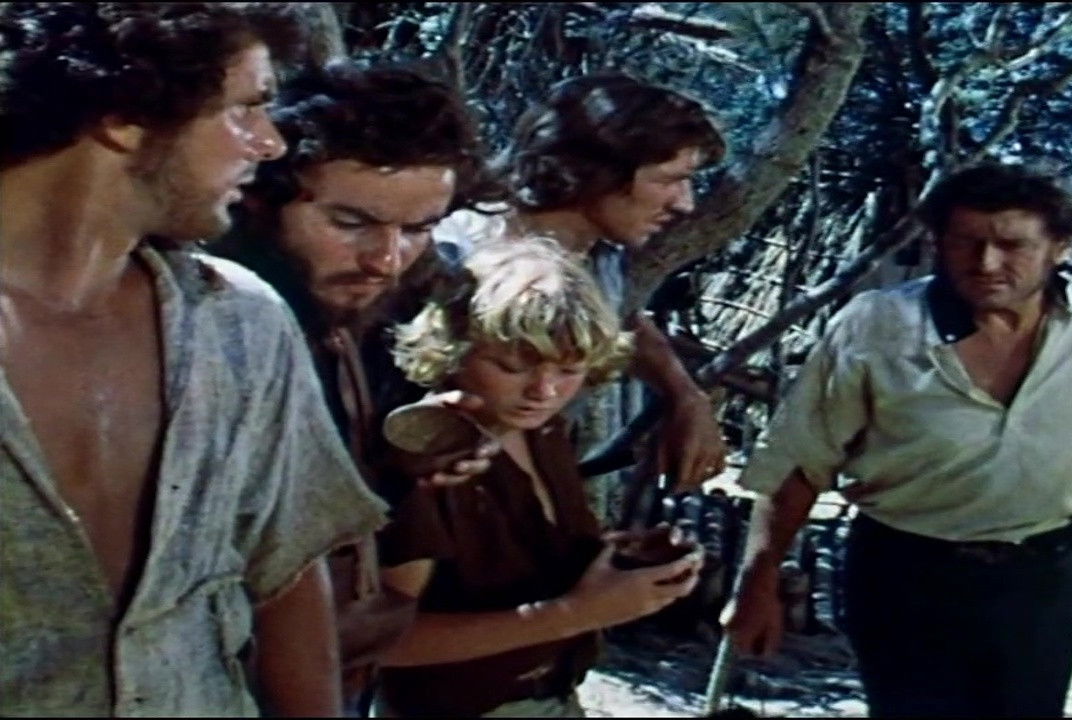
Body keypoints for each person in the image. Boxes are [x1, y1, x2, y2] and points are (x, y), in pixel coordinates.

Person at [721, 163, 1072, 717]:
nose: (985, 263)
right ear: (938, 243)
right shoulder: (878, 325)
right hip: (905, 575)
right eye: (965, 243)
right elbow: (800, 460)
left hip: (1041, 577)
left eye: (1012, 245)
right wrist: (757, 580)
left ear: (1059, 246)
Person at [0, 4, 389, 716]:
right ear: (125, 117)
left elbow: (288, 572)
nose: (270, 143)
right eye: (246, 108)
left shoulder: (239, 323)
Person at [210, 60, 501, 714]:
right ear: (261, 198)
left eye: (418, 229)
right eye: (351, 223)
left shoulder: (364, 319)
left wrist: (403, 462)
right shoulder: (210, 326)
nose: (386, 260)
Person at [374, 238, 704, 717]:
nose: (543, 391)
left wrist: (623, 565)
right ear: (455, 350)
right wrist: (576, 614)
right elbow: (382, 640)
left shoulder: (540, 431)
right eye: (512, 367)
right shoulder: (429, 460)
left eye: (569, 370)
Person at [428, 72, 730, 494]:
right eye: (667, 180)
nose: (685, 203)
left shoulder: (599, 255)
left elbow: (617, 321)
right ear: (595, 172)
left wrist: (685, 395)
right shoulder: (459, 253)